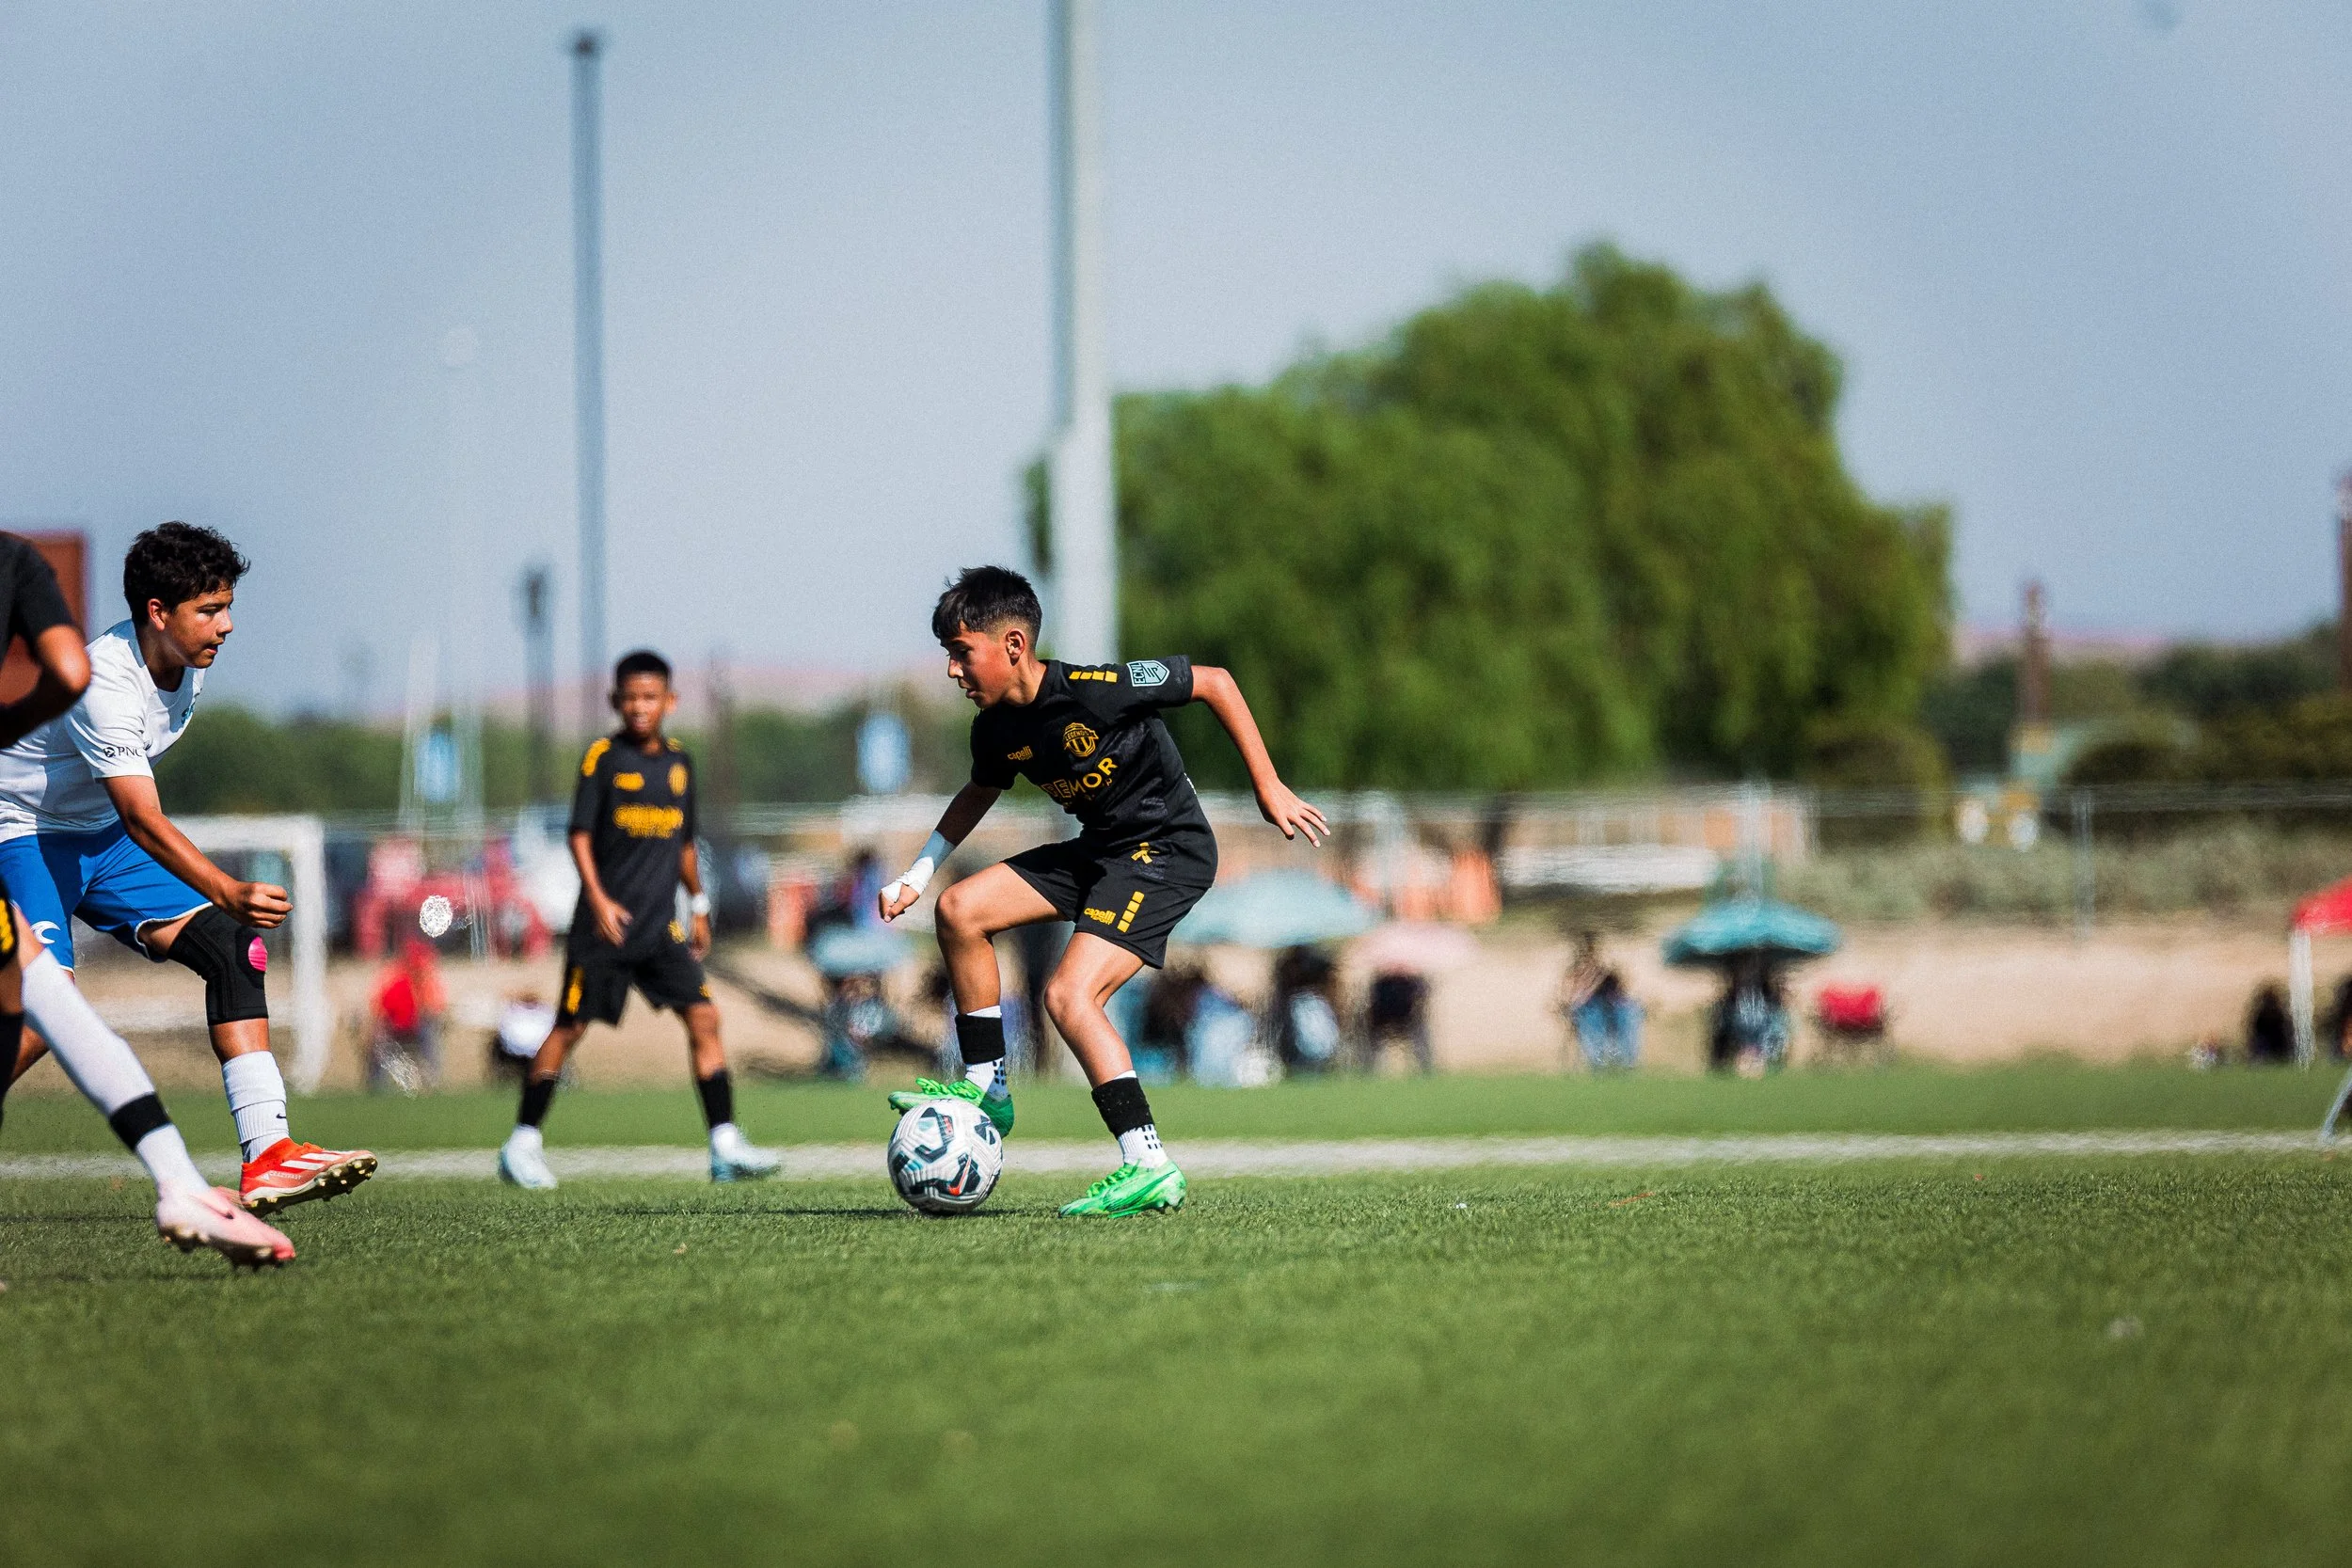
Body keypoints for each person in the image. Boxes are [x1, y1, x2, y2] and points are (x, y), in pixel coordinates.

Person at [878, 566, 1327, 1215]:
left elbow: (1216, 683)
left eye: (961, 651)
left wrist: (1268, 785)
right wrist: (917, 874)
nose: (953, 670)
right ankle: (987, 1085)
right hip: (1104, 851)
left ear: (1012, 645)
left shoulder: (1096, 689)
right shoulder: (996, 729)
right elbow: (979, 790)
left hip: (1166, 850)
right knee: (960, 909)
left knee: (1068, 993)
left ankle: (1148, 1161)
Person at [0, 524, 373, 1215]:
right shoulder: (103, 682)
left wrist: (224, 907)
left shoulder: (188, 663)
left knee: (234, 947)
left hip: (97, 836)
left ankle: (268, 1154)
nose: (226, 625)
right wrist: (225, 886)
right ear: (156, 612)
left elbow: (125, 819)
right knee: (38, 1014)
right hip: (20, 832)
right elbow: (144, 819)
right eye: (209, 609)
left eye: (228, 605)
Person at [498, 650, 782, 1188]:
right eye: (629, 698)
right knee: (570, 1028)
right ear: (614, 702)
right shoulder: (602, 759)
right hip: (602, 930)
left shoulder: (679, 764)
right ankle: (521, 1143)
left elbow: (684, 845)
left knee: (704, 1019)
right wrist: (600, 901)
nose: (639, 707)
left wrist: (698, 904)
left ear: (669, 702)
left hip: (660, 930)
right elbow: (579, 835)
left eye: (650, 697)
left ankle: (724, 1144)